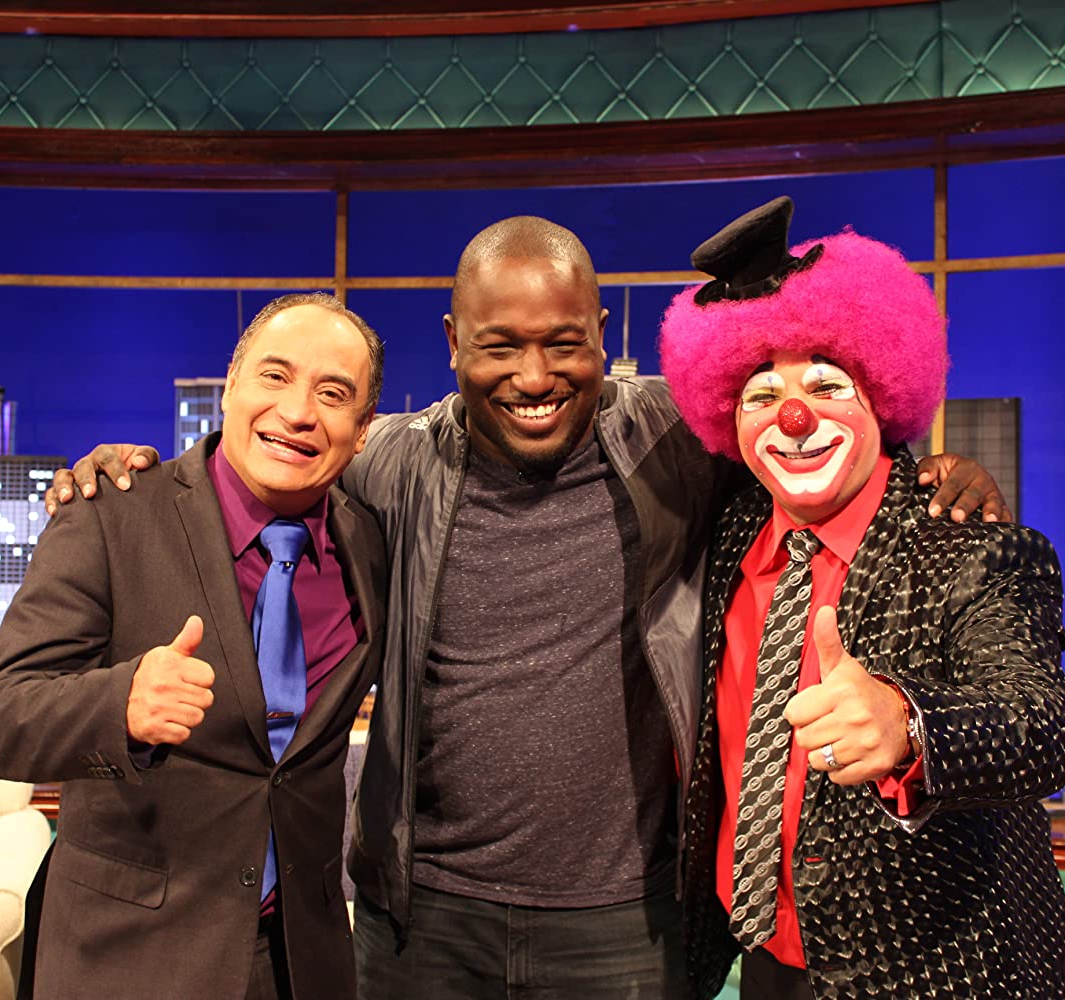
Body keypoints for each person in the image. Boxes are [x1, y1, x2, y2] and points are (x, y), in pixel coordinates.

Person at [49, 215, 1010, 999]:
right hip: (423, 919)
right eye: (500, 346)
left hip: (628, 923)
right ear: (452, 343)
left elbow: (806, 442)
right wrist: (125, 472)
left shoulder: (677, 439)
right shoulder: (391, 465)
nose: (536, 376)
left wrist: (926, 471)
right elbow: (268, 472)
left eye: (563, 343)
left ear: (602, 331)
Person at [659, 197, 1065, 999]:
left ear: (880, 393)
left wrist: (909, 723)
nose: (793, 416)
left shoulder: (972, 547)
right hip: (764, 959)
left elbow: (1041, 725)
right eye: (760, 396)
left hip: (929, 974)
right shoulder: (730, 529)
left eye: (825, 384)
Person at [0, 293, 389, 1000]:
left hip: (303, 960)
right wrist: (119, 705)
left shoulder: (370, 544)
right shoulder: (112, 514)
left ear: (363, 429)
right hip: (129, 961)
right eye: (275, 376)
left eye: (333, 394)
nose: (297, 412)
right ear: (231, 385)